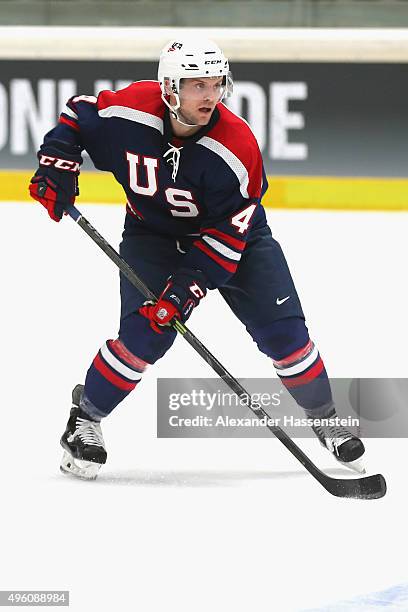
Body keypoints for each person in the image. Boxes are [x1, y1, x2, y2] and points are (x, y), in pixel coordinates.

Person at [29, 38, 364, 480]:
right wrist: (58, 163)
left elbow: (227, 237)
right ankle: (85, 419)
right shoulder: (130, 110)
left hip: (234, 240)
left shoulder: (236, 146)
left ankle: (325, 418)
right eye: (197, 85)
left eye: (216, 84)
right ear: (170, 87)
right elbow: (77, 114)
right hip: (152, 236)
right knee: (144, 336)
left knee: (286, 337)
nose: (210, 95)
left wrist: (185, 291)